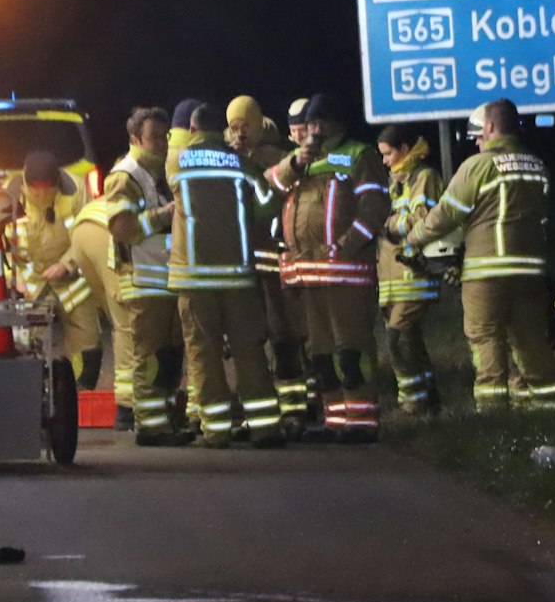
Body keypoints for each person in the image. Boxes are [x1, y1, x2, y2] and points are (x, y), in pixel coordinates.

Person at [405, 98, 555, 413]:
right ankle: (543, 408)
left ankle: (492, 415)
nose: (476, 141)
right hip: (531, 272)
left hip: (486, 275)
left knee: (486, 339)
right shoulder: (537, 165)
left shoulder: (479, 166)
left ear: (490, 127)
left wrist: (414, 236)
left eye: (477, 135)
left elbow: (447, 214)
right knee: (530, 342)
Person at [58, 106, 187, 444]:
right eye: (153, 138)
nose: (161, 144)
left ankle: (165, 420)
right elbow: (122, 228)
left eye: (165, 137)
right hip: (143, 280)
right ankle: (149, 426)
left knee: (170, 355)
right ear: (134, 139)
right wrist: (165, 215)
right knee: (149, 357)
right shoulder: (125, 175)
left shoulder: (163, 171)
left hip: (167, 278)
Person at [266, 93, 390, 443]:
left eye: (320, 123)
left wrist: (346, 245)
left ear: (335, 123)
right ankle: (336, 419)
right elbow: (268, 187)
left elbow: (375, 208)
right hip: (308, 273)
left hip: (344, 272)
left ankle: (363, 419)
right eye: (311, 123)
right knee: (320, 355)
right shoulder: (301, 159)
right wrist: (296, 161)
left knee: (350, 350)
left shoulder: (357, 155)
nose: (314, 129)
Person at [166, 102, 285, 448]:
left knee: (203, 354)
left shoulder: (177, 164)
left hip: (195, 278)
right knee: (249, 350)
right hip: (237, 276)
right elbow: (268, 204)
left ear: (192, 130)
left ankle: (216, 431)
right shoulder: (242, 164)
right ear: (225, 131)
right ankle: (264, 427)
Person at [227, 96, 311, 432]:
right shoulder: (226, 159)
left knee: (284, 335)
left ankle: (295, 406)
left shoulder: (276, 159)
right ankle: (257, 408)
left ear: (258, 124)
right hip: (241, 266)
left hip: (274, 262)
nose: (239, 133)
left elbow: (276, 202)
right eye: (233, 126)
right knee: (246, 341)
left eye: (245, 125)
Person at [12, 150, 102, 388]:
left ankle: (80, 397)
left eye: (48, 188)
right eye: (36, 189)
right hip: (31, 285)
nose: (42, 194)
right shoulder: (10, 193)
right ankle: (29, 393)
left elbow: (89, 234)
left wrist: (67, 264)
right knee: (23, 346)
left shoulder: (76, 190)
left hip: (73, 280)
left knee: (88, 344)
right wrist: (15, 278)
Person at [375, 125, 445, 415]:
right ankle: (430, 398)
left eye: (388, 154)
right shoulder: (392, 180)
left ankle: (412, 402)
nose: (384, 161)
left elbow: (423, 219)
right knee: (411, 341)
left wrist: (388, 223)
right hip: (392, 279)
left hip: (414, 275)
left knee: (396, 340)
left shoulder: (424, 177)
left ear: (404, 149)